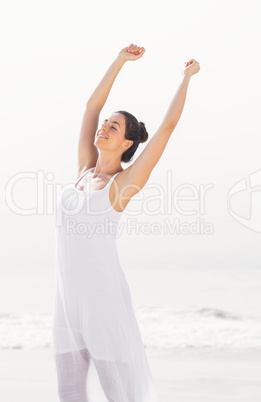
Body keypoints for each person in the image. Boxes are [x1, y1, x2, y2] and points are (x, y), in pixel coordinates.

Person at [52, 43, 200, 402]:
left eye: (113, 126)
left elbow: (166, 128)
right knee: (69, 395)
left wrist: (186, 77)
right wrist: (119, 61)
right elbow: (91, 107)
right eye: (106, 124)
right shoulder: (84, 170)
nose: (103, 127)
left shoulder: (120, 186)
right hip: (67, 306)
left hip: (103, 306)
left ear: (128, 142)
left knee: (119, 396)